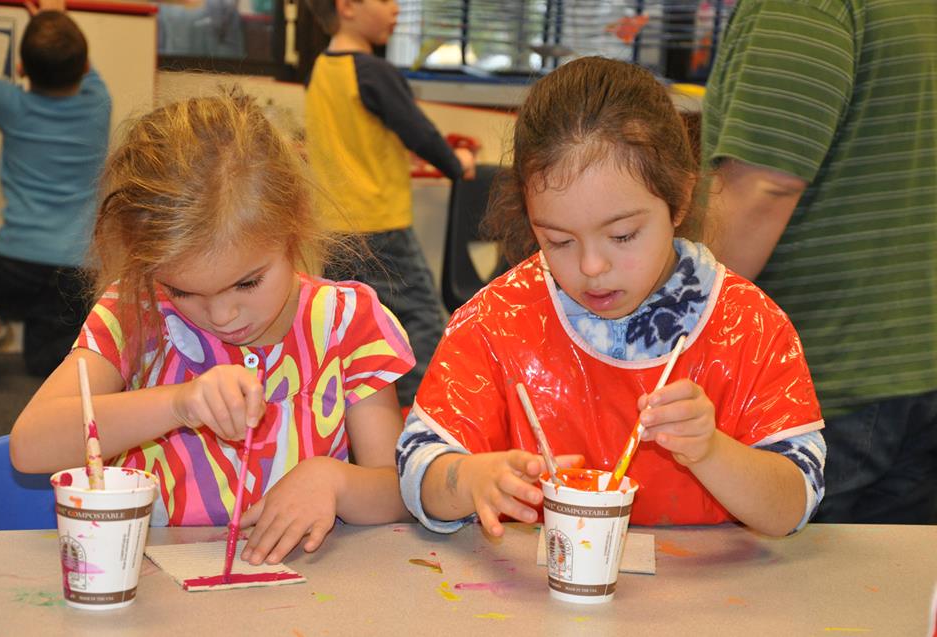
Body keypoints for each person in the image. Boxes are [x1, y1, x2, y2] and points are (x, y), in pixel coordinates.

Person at [396, 57, 827, 539]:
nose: (591, 268)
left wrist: (710, 451)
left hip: (711, 606)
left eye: (622, 236)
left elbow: (793, 502)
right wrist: (468, 480)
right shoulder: (499, 321)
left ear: (680, 199)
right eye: (559, 240)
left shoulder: (749, 326)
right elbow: (418, 464)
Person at [10, 91, 416, 565]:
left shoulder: (348, 325)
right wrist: (177, 403)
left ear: (293, 226)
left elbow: (400, 492)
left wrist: (335, 481)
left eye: (247, 282)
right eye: (183, 291)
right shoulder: (136, 310)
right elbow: (30, 446)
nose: (222, 316)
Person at [701, 0, 937, 524]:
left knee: (794, 598)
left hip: (823, 380)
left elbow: (765, 184)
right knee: (885, 594)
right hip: (912, 362)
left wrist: (664, 321)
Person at [302, 0, 476, 408]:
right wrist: (456, 164)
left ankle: (348, 417)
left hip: (334, 227)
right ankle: (428, 414)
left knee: (344, 330)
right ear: (347, 6)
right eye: (384, 0)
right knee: (421, 323)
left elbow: (356, 137)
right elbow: (419, 131)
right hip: (379, 225)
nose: (396, 9)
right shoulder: (373, 71)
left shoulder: (321, 70)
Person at [0, 0, 110, 374]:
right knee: (48, 361)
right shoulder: (100, 103)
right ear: (83, 67)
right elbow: (82, 65)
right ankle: (44, 368)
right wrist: (57, 18)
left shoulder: (12, 106)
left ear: (21, 69)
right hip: (75, 267)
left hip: (15, 258)